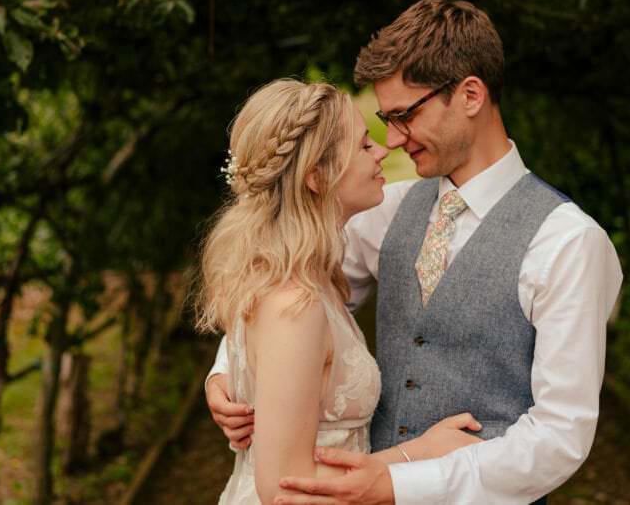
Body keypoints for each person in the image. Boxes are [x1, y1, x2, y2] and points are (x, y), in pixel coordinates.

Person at [206, 0, 624, 505]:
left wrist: (402, 481)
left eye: (405, 115)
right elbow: (285, 287)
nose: (395, 139)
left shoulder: (568, 242)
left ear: (470, 94)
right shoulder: (387, 210)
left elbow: (561, 435)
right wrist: (228, 370)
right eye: (385, 120)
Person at [195, 79, 484, 505]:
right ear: (316, 175)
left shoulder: (309, 277)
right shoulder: (295, 303)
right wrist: (421, 454)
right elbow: (284, 488)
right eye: (365, 145)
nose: (384, 150)